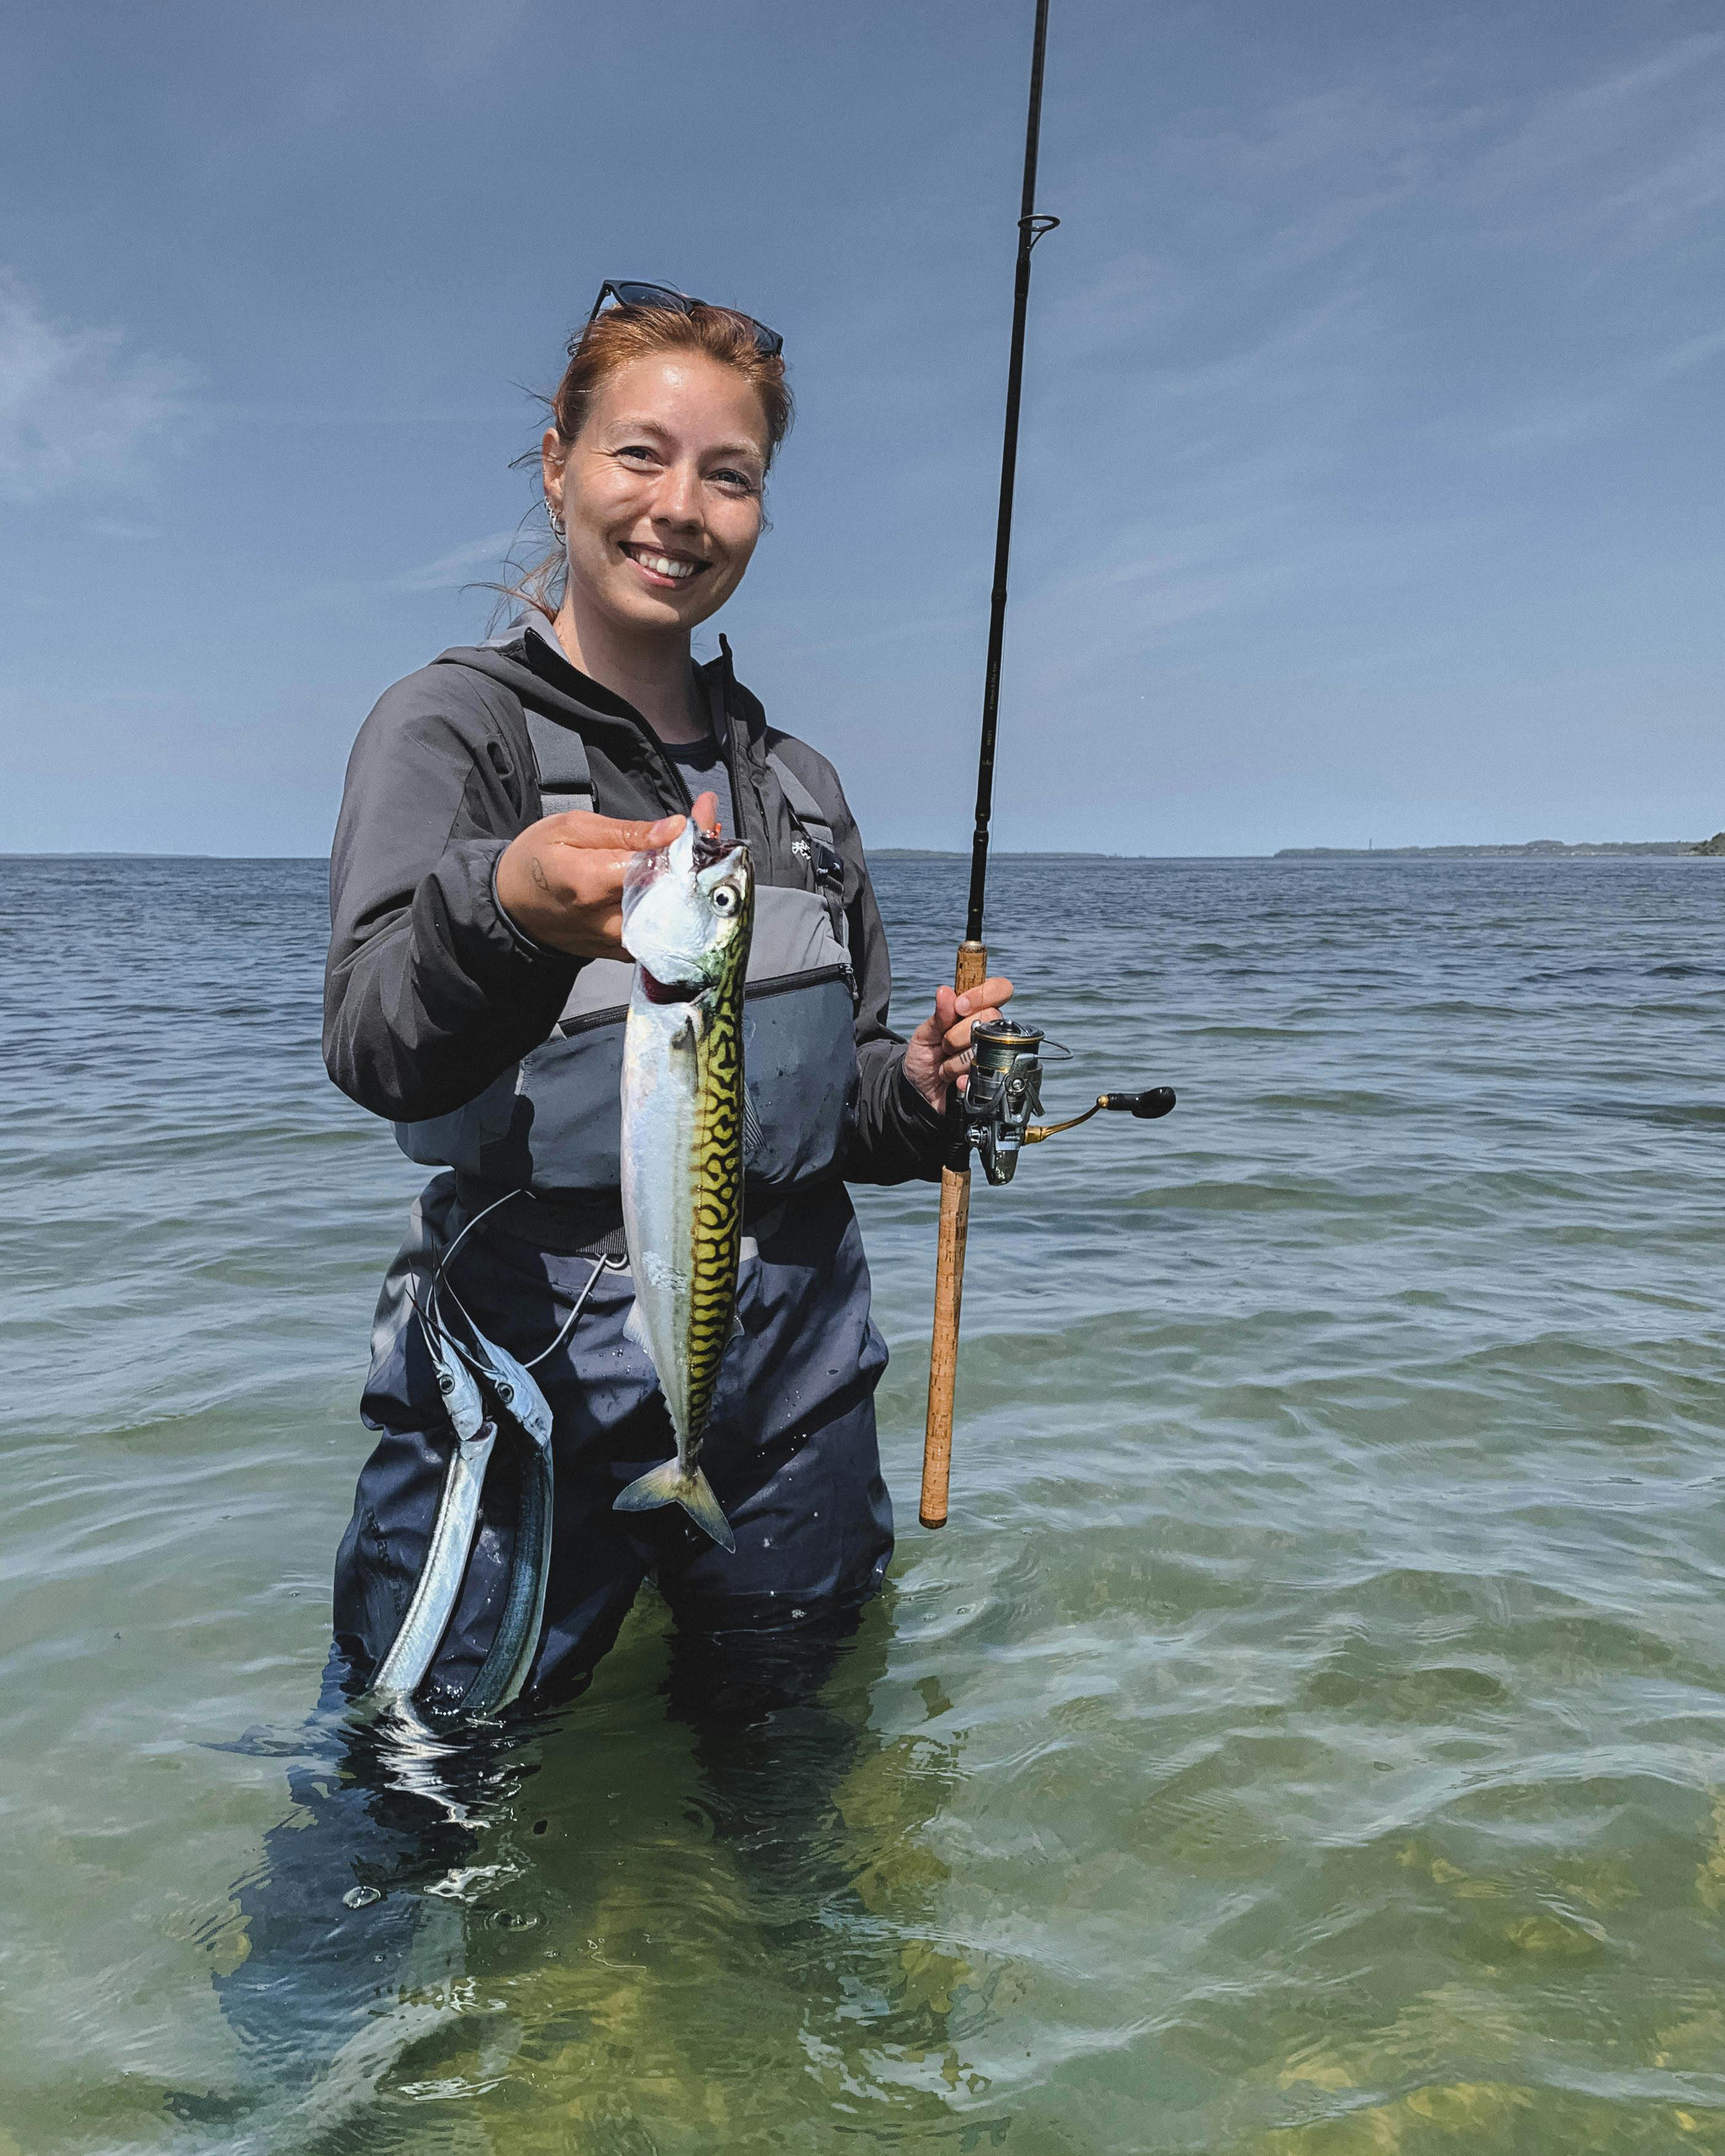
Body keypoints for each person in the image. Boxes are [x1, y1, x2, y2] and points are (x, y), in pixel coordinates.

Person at [322, 283, 1014, 1716]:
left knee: (794, 1782)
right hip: (525, 1375)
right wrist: (504, 910)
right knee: (417, 1804)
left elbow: (838, 1097)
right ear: (558, 460)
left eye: (730, 472)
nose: (679, 506)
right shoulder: (451, 729)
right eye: (640, 453)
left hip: (798, 1380)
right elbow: (378, 1044)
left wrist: (924, 1089)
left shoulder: (798, 782)